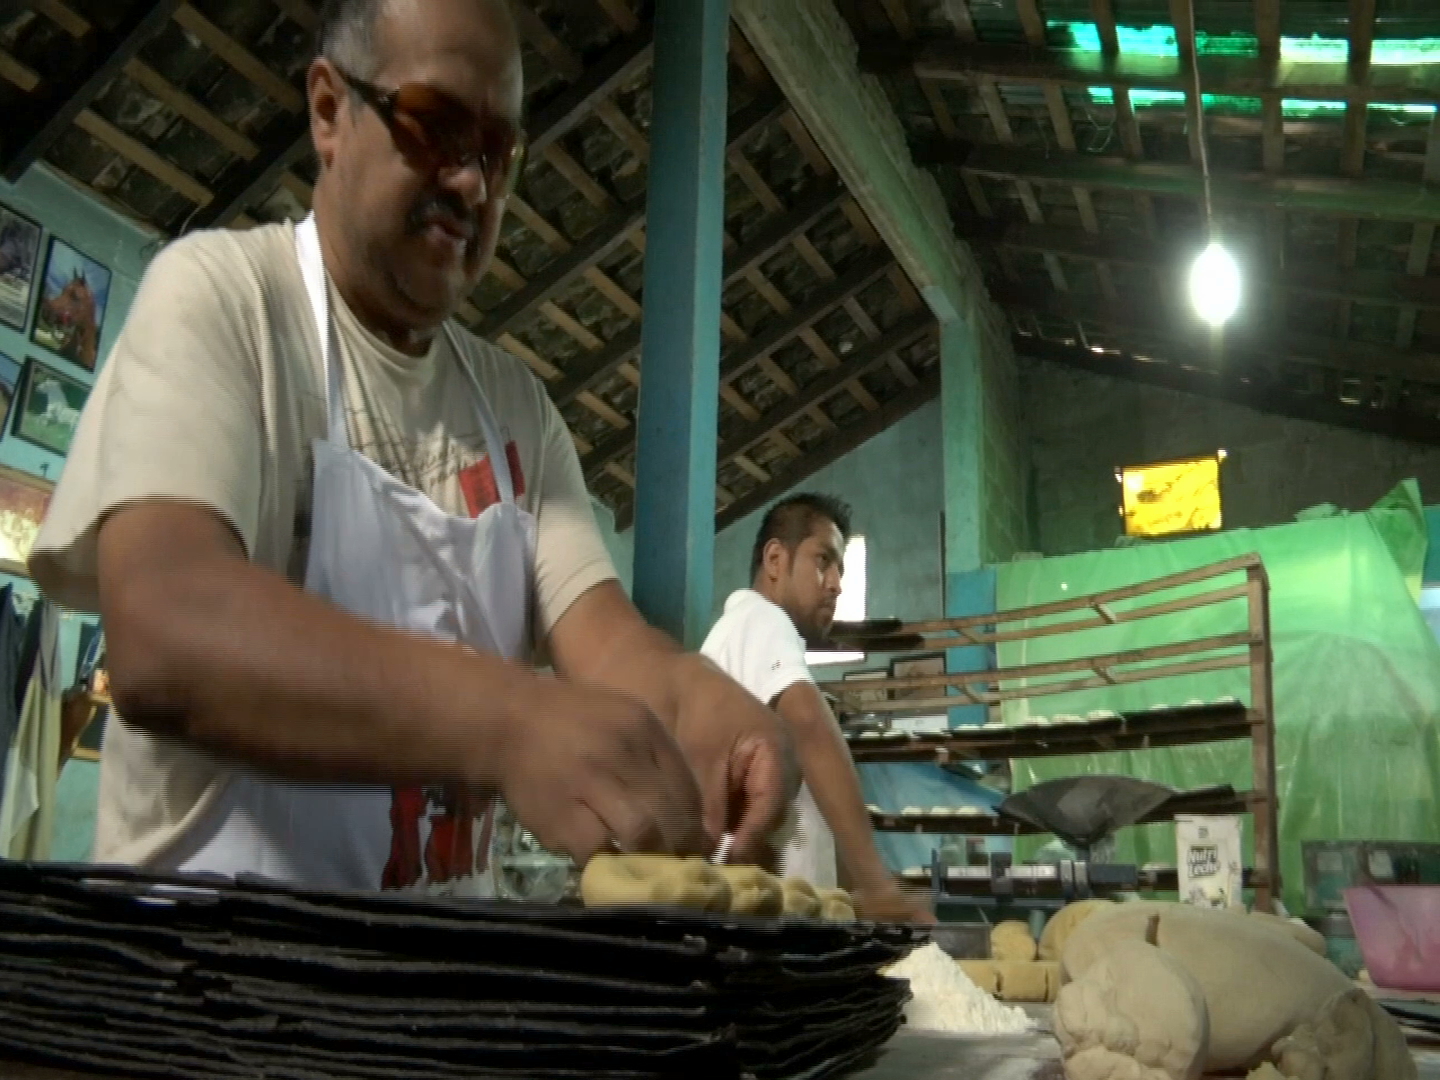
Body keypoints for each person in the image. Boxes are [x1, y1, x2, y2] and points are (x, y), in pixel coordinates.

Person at [27, 0, 794, 895]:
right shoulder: (226, 304)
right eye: (435, 126)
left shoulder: (515, 410)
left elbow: (609, 645)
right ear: (328, 111)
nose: (470, 182)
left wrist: (697, 702)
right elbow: (169, 632)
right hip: (201, 991)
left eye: (497, 153)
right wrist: (508, 720)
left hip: (428, 1009)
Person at [701, 494, 932, 923]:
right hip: (768, 924)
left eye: (842, 570)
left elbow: (806, 805)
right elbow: (809, 727)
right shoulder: (760, 619)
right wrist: (876, 884)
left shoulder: (741, 635)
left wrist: (852, 891)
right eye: (823, 561)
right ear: (775, 560)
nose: (836, 584)